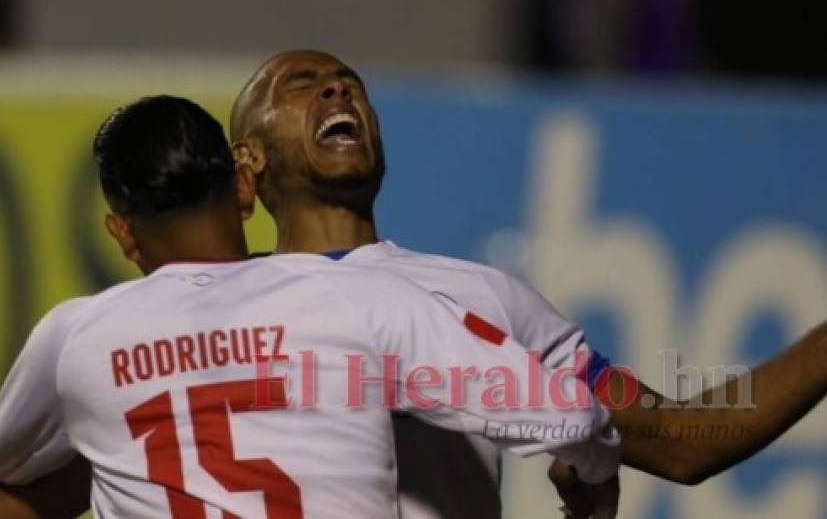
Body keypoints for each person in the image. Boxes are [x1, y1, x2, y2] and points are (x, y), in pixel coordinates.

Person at [228, 49, 827, 517]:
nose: (338, 88)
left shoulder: (487, 300)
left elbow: (682, 440)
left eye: (348, 80)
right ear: (245, 168)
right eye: (302, 84)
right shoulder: (208, 314)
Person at [0, 96, 620, 518]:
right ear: (244, 189)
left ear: (122, 231)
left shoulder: (76, 336)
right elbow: (568, 413)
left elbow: (3, 462)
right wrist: (592, 471)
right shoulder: (358, 299)